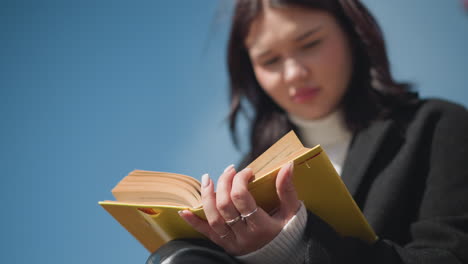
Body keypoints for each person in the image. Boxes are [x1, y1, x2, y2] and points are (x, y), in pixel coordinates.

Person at [147, 0, 468, 263]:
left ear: (353, 34)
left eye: (310, 43)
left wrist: (298, 244)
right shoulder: (251, 171)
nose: (294, 74)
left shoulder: (437, 126)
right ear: (250, 71)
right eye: (270, 60)